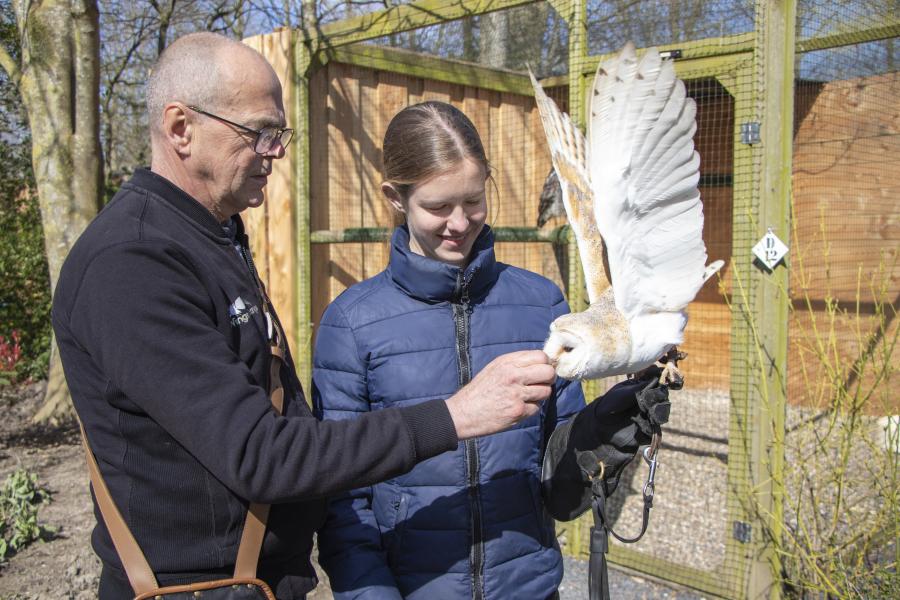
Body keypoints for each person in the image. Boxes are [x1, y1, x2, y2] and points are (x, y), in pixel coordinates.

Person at [51, 33, 556, 600]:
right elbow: (261, 454)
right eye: (258, 132)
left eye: (279, 133)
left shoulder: (208, 240)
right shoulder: (134, 262)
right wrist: (456, 415)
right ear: (180, 128)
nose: (277, 151)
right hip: (199, 588)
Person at [312, 101, 586, 600]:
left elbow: (564, 479)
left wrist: (606, 434)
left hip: (527, 587)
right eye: (438, 206)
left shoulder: (541, 303)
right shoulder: (353, 322)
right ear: (396, 197)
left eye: (474, 201)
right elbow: (341, 499)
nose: (459, 223)